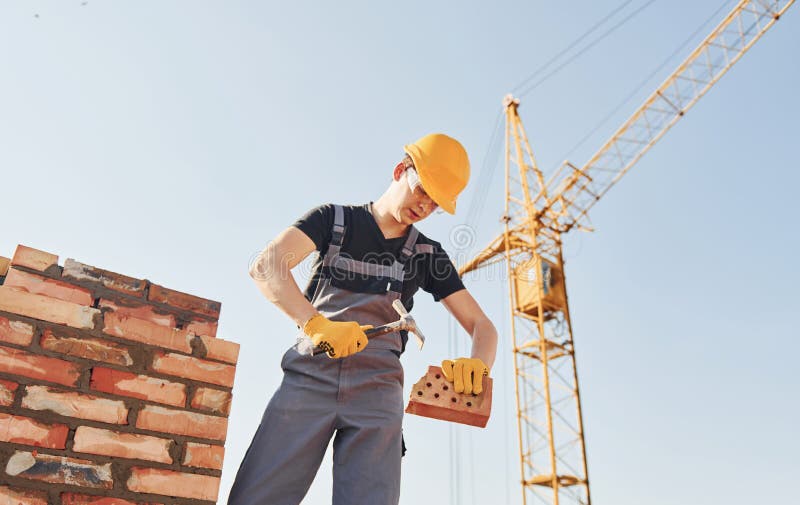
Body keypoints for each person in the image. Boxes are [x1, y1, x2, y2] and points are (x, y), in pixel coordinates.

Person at [229, 133, 498, 505]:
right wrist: (315, 324)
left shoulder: (426, 254)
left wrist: (478, 364)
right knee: (257, 499)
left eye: (436, 203)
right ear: (400, 169)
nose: (424, 206)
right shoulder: (333, 221)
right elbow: (267, 266)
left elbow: (483, 326)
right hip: (310, 379)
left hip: (378, 395)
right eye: (422, 190)